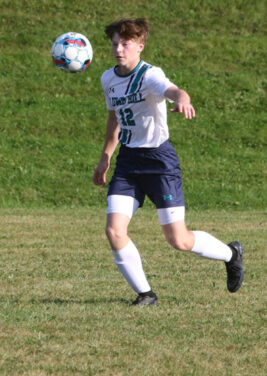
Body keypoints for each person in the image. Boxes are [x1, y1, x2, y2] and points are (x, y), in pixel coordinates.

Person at [92, 18, 244, 306]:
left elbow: (174, 91)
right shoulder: (107, 79)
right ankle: (146, 294)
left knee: (179, 240)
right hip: (128, 162)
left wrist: (183, 99)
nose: (119, 49)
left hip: (159, 161)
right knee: (114, 230)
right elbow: (114, 119)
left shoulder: (150, 75)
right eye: (115, 44)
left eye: (125, 44)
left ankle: (231, 254)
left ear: (140, 46)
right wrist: (105, 159)